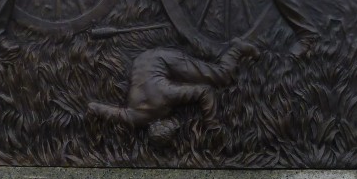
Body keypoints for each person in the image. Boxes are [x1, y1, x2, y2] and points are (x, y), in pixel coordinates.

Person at [87, 39, 258, 144]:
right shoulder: (133, 117)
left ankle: (237, 48)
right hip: (141, 62)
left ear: (160, 122)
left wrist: (212, 125)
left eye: (172, 126)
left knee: (221, 78)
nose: (176, 123)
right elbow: (96, 108)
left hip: (161, 59)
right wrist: (92, 110)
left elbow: (205, 91)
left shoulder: (167, 97)